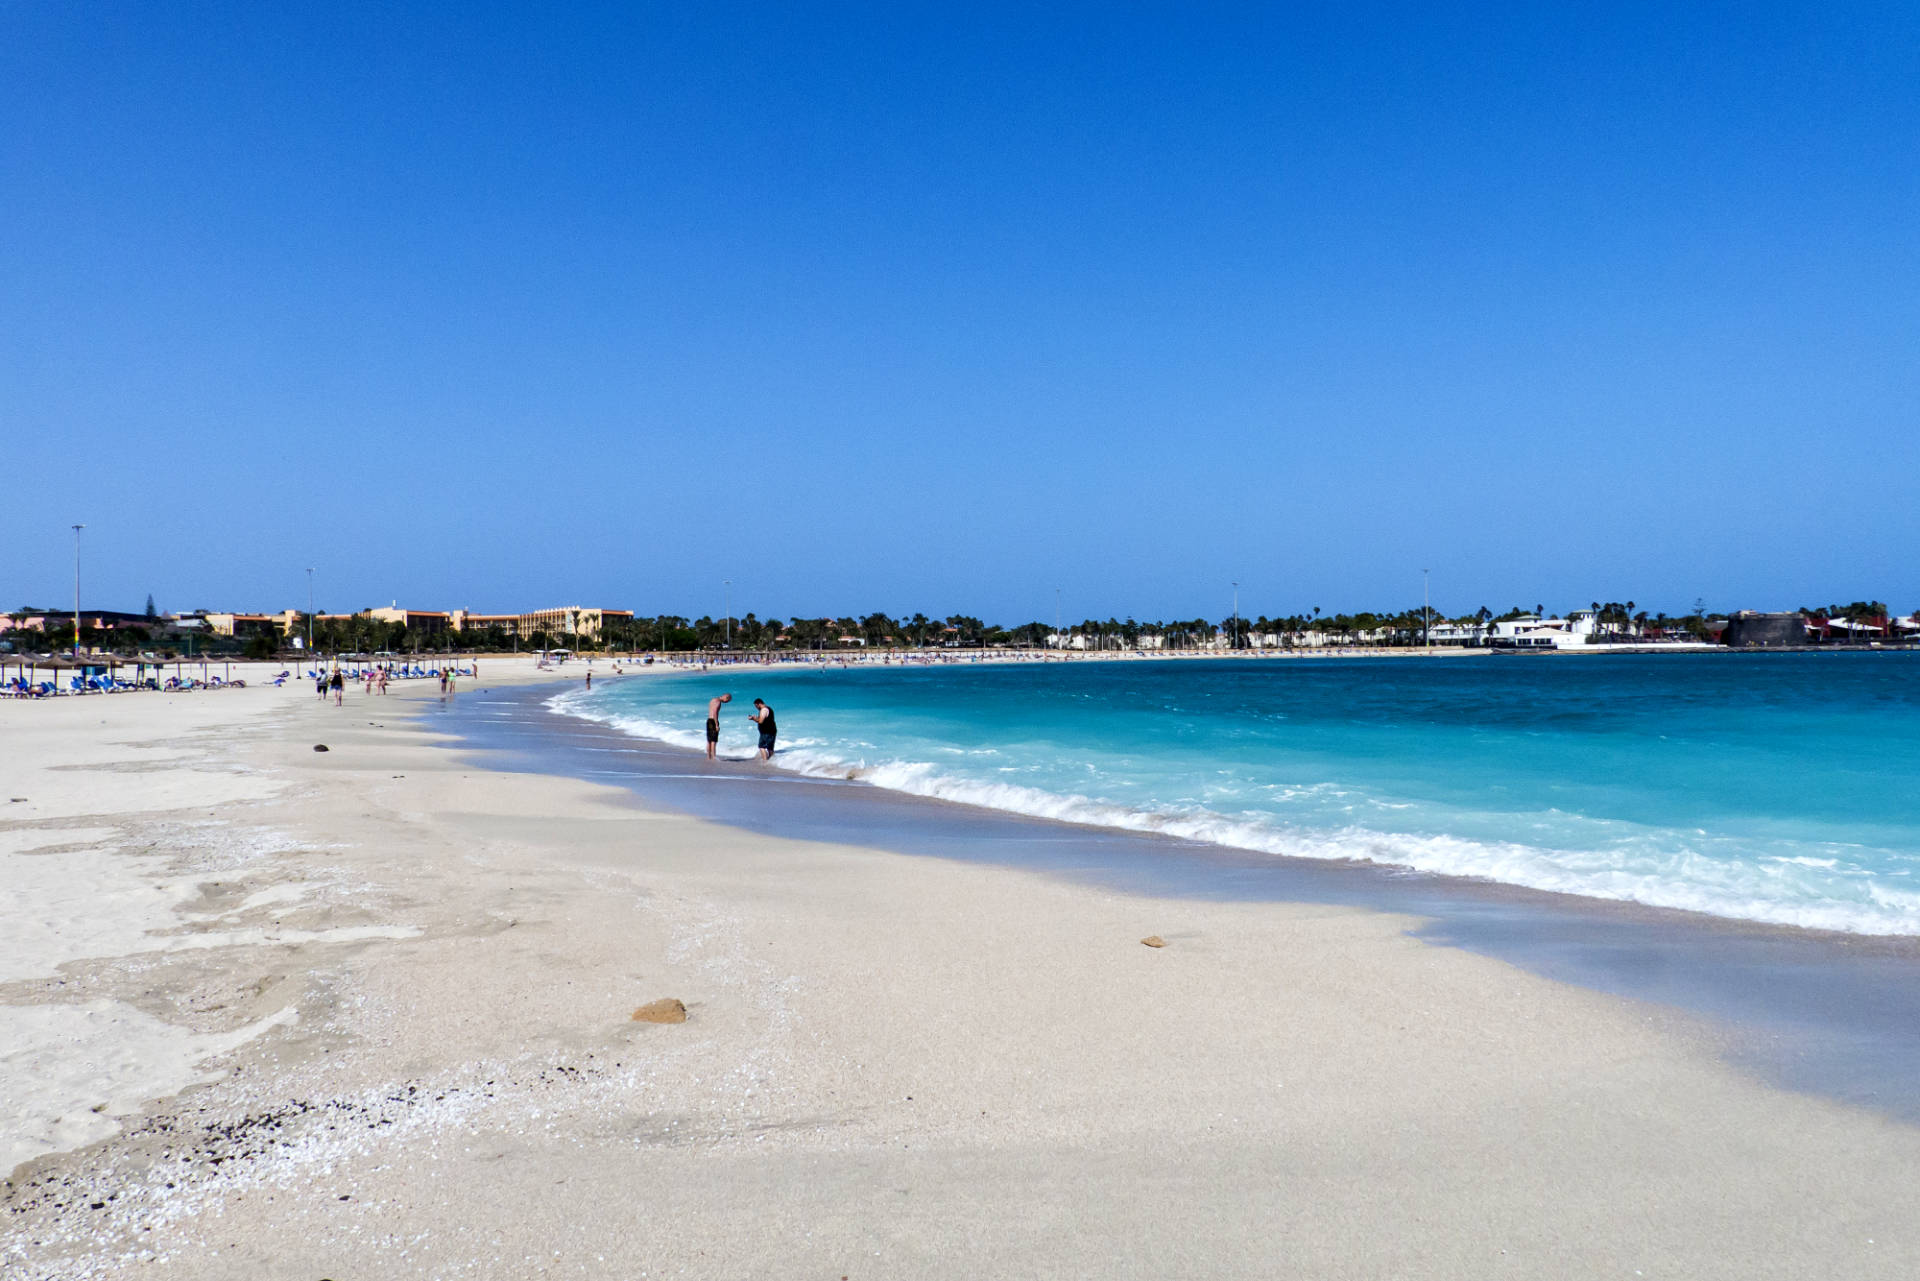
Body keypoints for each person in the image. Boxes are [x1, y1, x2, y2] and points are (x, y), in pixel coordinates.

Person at [705, 692, 731, 760]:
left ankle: (709, 757)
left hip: (709, 720)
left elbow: (711, 710)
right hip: (713, 721)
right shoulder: (718, 702)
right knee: (713, 740)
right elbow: (715, 712)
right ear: (726, 697)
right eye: (727, 701)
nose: (726, 702)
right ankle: (713, 757)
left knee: (709, 740)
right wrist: (716, 724)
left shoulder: (713, 700)